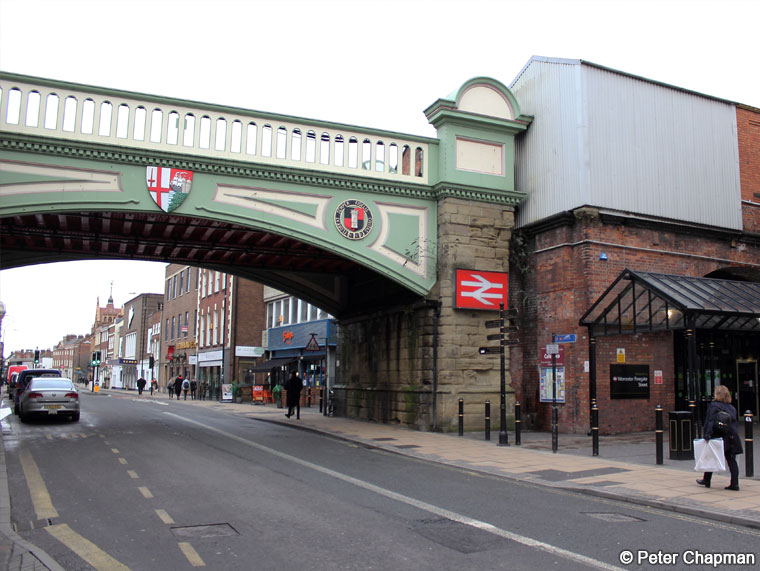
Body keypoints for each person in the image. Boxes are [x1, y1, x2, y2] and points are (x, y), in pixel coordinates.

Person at [697, 385, 743, 491]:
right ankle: (734, 483)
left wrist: (707, 435)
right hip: (731, 437)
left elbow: (710, 421)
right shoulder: (732, 408)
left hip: (718, 437)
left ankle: (706, 480)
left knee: (711, 457)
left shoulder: (714, 406)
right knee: (731, 460)